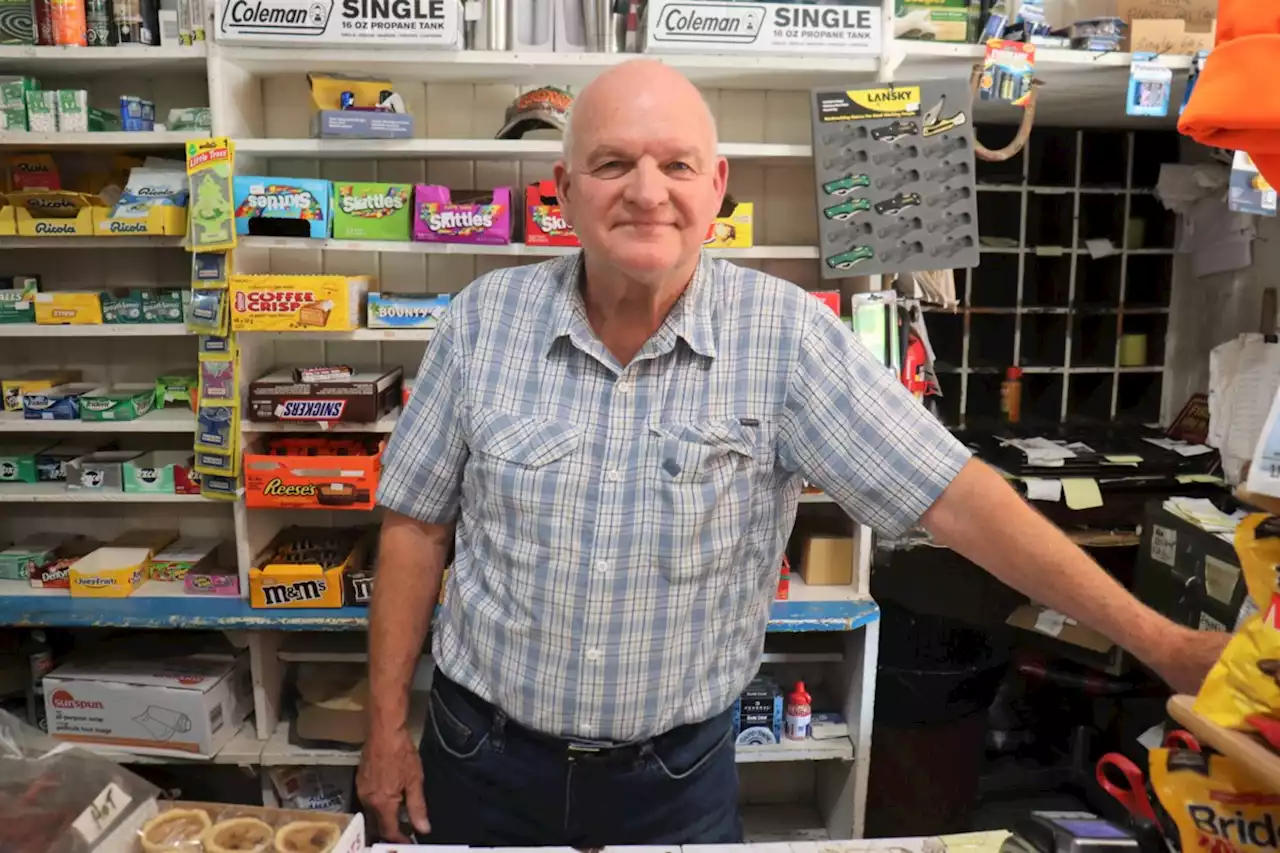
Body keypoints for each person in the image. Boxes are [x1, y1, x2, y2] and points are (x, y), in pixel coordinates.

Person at [356, 59, 1228, 846]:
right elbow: (415, 528)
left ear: (717, 187)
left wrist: (1161, 643)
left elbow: (956, 495)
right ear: (566, 189)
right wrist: (384, 729)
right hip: (480, 757)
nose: (647, 191)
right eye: (614, 163)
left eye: (677, 164)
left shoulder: (787, 340)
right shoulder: (481, 323)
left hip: (675, 785)